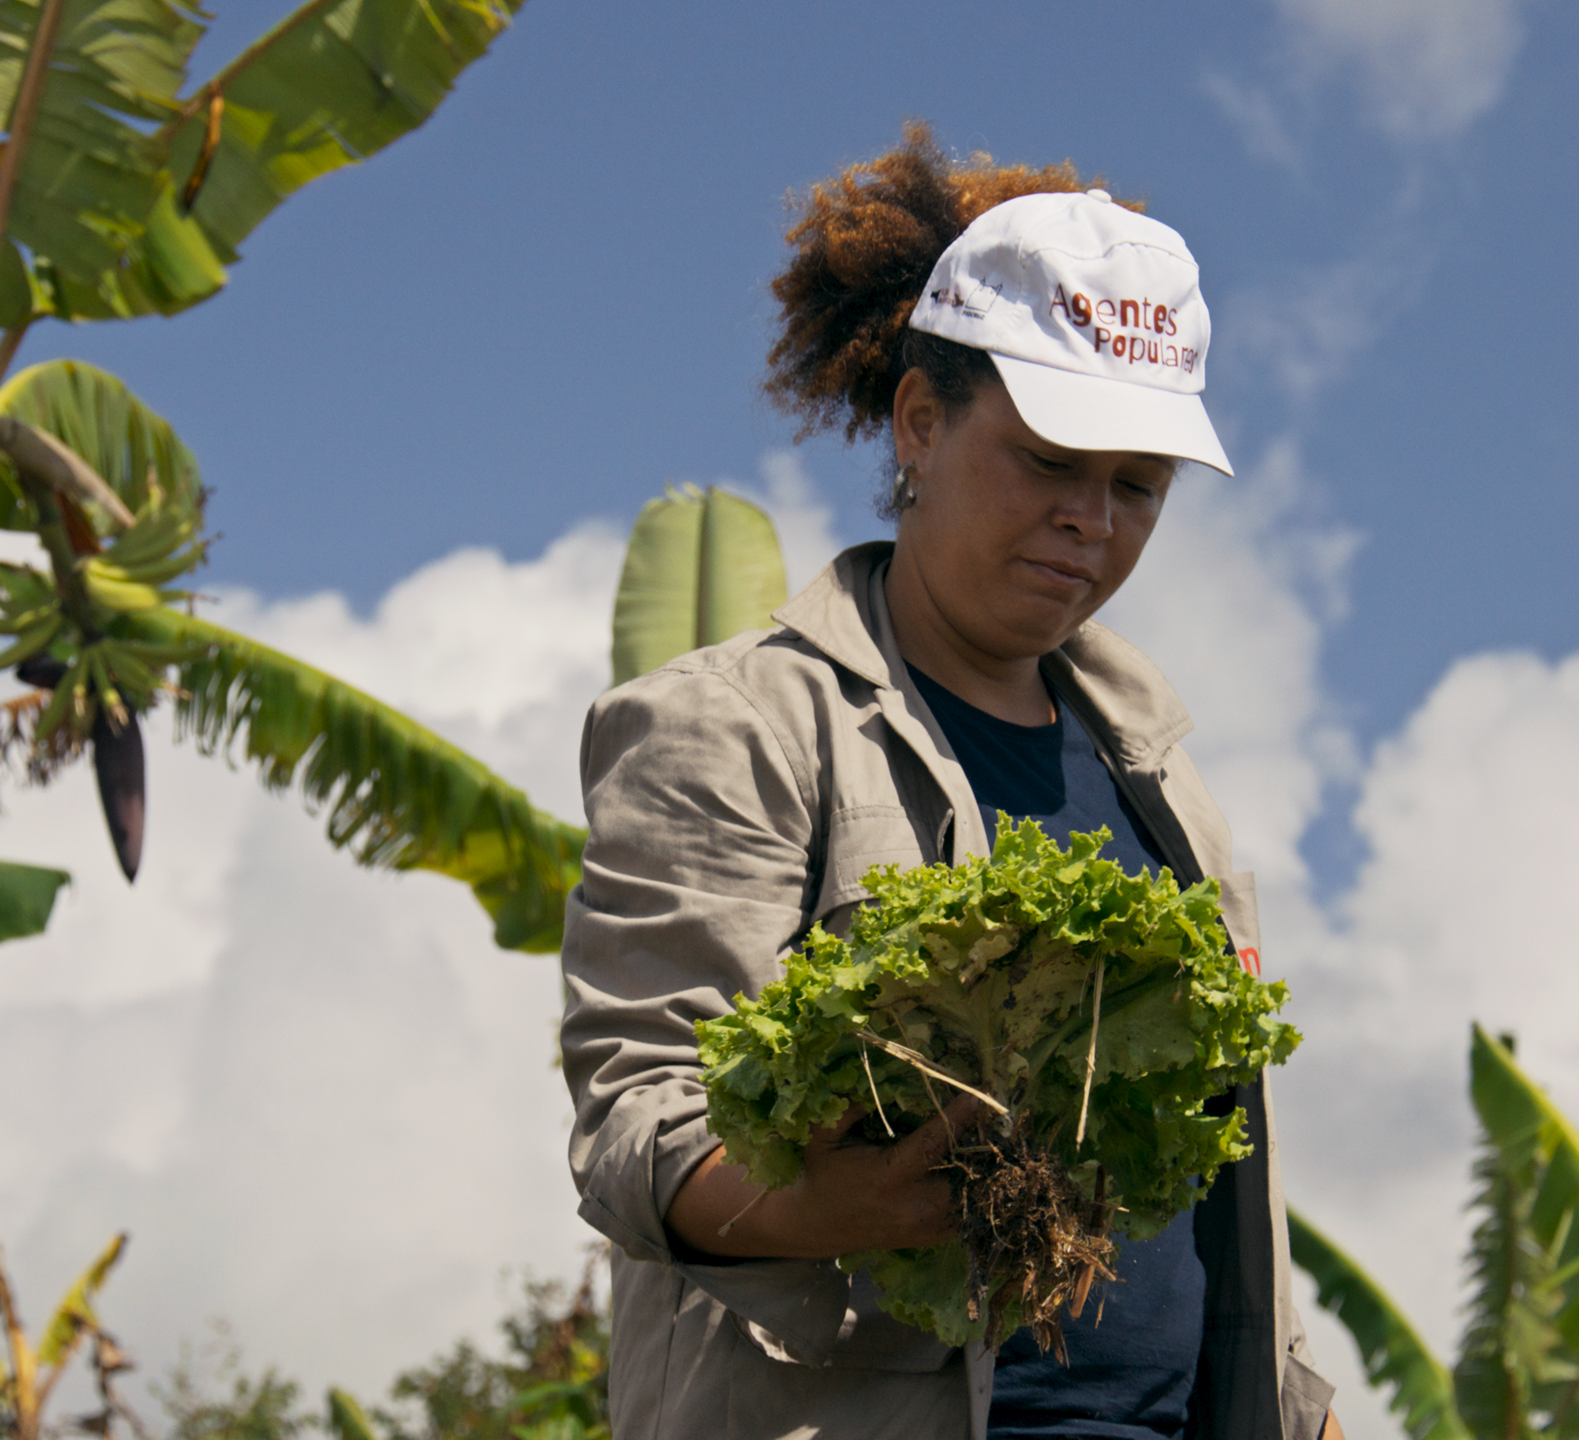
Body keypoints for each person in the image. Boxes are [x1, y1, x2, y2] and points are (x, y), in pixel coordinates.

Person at [560, 127, 1339, 1440]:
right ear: (921, 421)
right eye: (1047, 462)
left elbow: (1207, 1181)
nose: (1091, 520)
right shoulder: (738, 725)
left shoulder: (1158, 777)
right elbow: (640, 1123)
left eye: (1136, 488)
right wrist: (835, 1206)